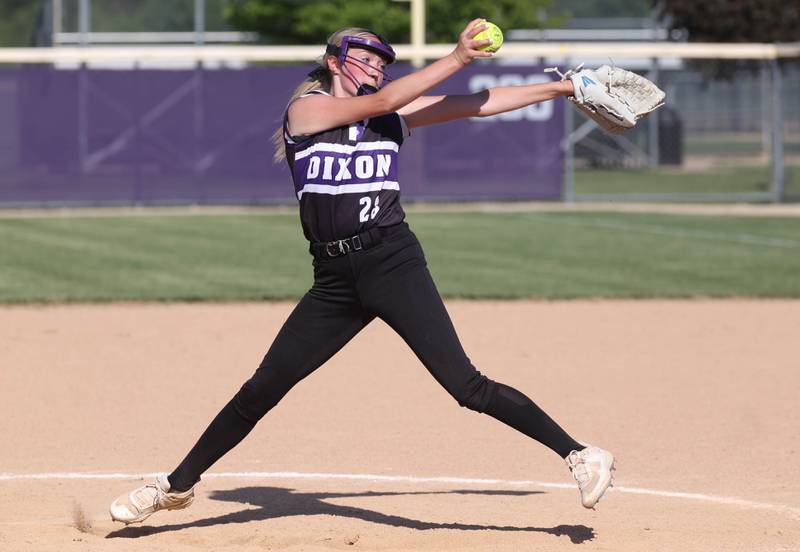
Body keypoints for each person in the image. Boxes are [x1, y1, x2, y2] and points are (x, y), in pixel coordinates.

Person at [110, 19, 615, 525]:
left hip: (393, 261)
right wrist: (457, 56)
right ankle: (173, 487)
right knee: (261, 390)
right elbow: (378, 103)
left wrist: (566, 86)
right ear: (334, 62)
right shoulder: (307, 109)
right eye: (366, 57)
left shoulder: (395, 114)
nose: (376, 66)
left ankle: (579, 455)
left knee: (466, 386)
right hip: (333, 281)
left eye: (383, 62)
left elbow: (479, 103)